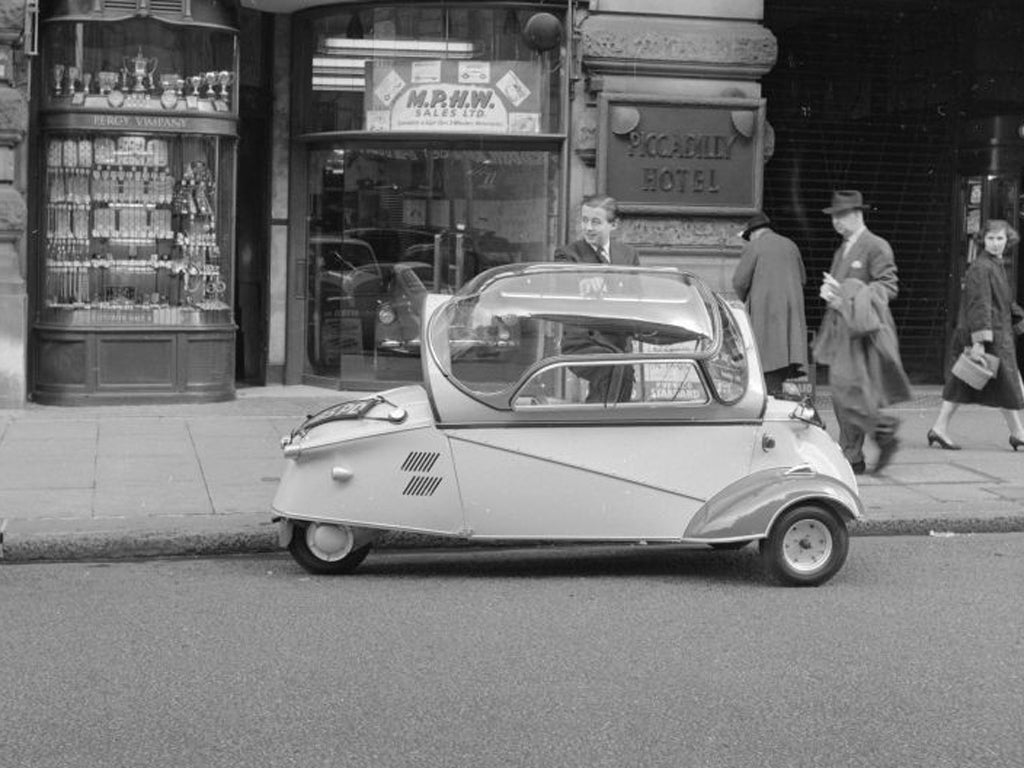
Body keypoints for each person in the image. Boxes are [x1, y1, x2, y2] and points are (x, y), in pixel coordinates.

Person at [812, 190, 912, 475]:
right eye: (834, 218)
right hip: (843, 329)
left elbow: (888, 286)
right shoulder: (842, 249)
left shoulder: (875, 246)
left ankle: (865, 445)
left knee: (847, 392)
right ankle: (864, 447)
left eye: (841, 217)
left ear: (858, 215)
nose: (836, 223)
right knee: (845, 393)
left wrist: (848, 293)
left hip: (864, 333)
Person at [927, 219, 1024, 451]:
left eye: (1000, 238)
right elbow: (980, 305)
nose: (996, 243)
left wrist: (1018, 317)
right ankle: (1018, 433)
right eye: (991, 238)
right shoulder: (982, 267)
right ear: (983, 240)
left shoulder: (994, 264)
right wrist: (979, 342)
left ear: (1007, 240)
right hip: (988, 338)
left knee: (972, 384)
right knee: (1003, 385)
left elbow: (1003, 301)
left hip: (995, 336)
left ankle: (940, 428)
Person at [554, 195, 640, 403]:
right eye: (584, 220)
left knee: (623, 376)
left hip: (619, 343)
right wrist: (581, 284)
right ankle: (595, 427)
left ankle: (608, 427)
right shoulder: (567, 254)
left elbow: (638, 298)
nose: (588, 227)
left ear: (614, 225)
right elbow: (564, 285)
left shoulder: (628, 254)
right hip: (583, 343)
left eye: (595, 222)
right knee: (612, 370)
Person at [732, 211, 808, 396]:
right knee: (782, 372)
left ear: (752, 234)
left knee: (766, 372)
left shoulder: (755, 246)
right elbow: (803, 279)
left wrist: (750, 299)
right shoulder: (791, 245)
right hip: (791, 320)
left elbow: (739, 282)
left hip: (767, 318)